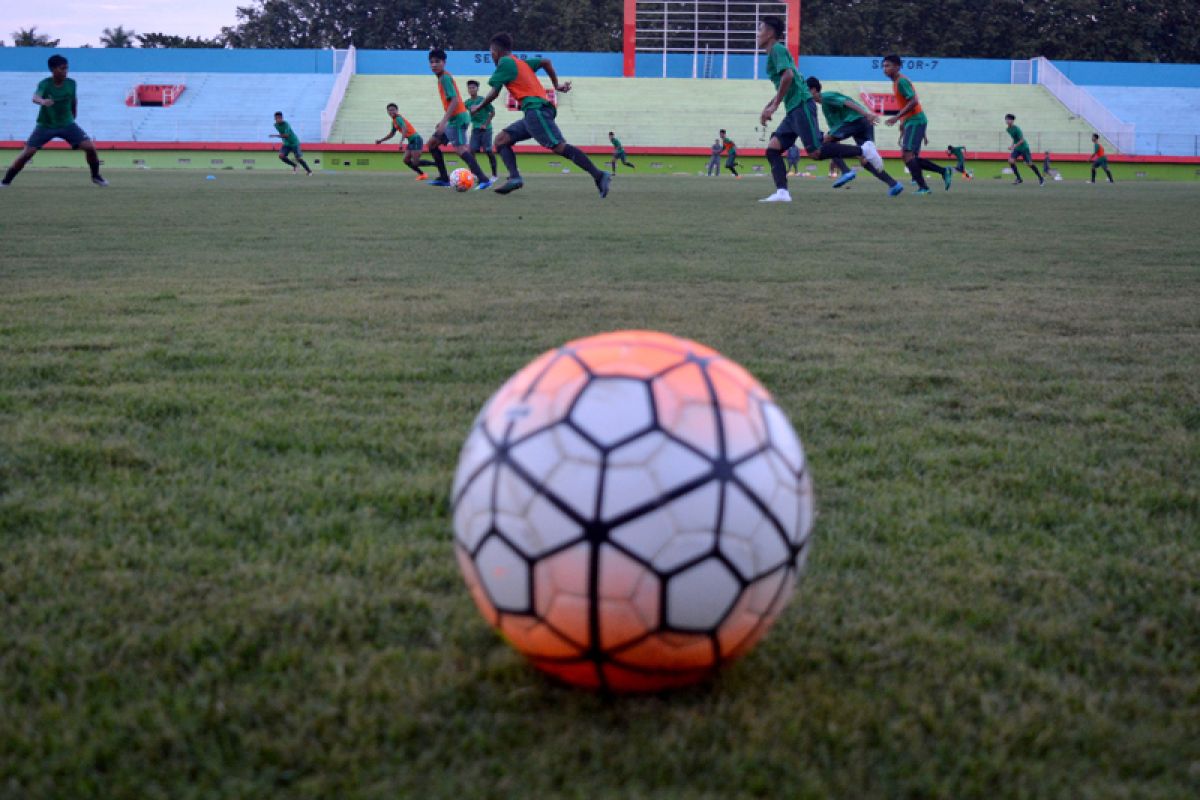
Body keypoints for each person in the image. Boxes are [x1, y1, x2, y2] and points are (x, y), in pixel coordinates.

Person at [469, 33, 611, 197]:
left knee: (558, 146)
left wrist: (478, 106)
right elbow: (546, 62)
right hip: (534, 112)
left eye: (491, 54)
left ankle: (599, 175)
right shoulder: (520, 63)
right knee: (501, 140)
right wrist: (556, 85)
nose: (492, 57)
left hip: (536, 111)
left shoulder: (504, 62)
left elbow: (494, 92)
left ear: (494, 52)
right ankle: (515, 178)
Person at [756, 18, 876, 203]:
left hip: (801, 105)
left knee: (816, 152)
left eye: (760, 29)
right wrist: (769, 105)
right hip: (793, 109)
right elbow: (787, 82)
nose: (757, 33)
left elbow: (787, 76)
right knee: (772, 150)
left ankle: (864, 149)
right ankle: (782, 192)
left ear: (771, 33)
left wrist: (774, 106)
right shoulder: (774, 53)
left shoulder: (777, 50)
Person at [2, 54, 108, 187]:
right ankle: (6, 181)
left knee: (90, 148)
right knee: (27, 153)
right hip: (45, 125)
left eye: (66, 68)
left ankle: (96, 176)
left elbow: (74, 100)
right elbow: (35, 97)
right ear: (53, 69)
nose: (65, 71)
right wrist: (43, 101)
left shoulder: (71, 83)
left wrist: (74, 113)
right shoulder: (45, 84)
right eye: (62, 68)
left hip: (67, 124)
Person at [807, 77, 902, 197]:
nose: (803, 95)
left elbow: (847, 102)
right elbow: (835, 137)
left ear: (814, 90)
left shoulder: (826, 97)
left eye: (805, 91)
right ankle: (893, 184)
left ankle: (846, 171)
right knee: (865, 160)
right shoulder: (826, 108)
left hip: (857, 120)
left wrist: (866, 114)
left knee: (822, 143)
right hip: (861, 123)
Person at [882, 54, 950, 195]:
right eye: (883, 66)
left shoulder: (901, 81)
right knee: (908, 156)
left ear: (897, 66)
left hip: (915, 120)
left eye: (887, 65)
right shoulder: (896, 82)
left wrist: (897, 117)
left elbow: (914, 101)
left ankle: (925, 187)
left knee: (908, 155)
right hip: (911, 121)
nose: (884, 69)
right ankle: (941, 172)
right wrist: (902, 122)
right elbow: (907, 103)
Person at [425, 49, 492, 189]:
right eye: (431, 62)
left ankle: (484, 179)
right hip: (452, 119)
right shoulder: (442, 78)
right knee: (432, 144)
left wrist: (444, 122)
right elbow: (451, 103)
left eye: (437, 62)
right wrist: (443, 120)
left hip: (458, 119)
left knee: (461, 150)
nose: (434, 65)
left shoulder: (445, 78)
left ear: (444, 63)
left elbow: (455, 101)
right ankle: (444, 178)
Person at [375, 103, 435, 181]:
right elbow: (391, 134)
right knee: (406, 160)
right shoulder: (394, 122)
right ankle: (422, 174)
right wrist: (381, 140)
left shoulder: (398, 118)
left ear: (397, 110)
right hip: (411, 141)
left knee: (415, 162)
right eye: (389, 110)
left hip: (416, 139)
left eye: (393, 110)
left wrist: (401, 142)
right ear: (387, 112)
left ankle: (436, 164)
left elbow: (404, 128)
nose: (391, 111)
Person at [465, 80, 498, 180]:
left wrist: (485, 124)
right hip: (475, 130)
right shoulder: (467, 102)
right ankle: (474, 173)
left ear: (477, 89)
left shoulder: (483, 100)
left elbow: (492, 112)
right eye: (469, 88)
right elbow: (461, 112)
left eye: (473, 88)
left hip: (486, 129)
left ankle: (494, 175)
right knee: (471, 150)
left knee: (488, 151)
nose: (471, 89)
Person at [1004, 113, 1044, 186]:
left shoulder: (1017, 129)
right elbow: (1014, 138)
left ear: (1012, 121)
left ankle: (1041, 178)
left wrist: (1014, 146)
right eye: (1006, 119)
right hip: (1017, 148)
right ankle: (1019, 178)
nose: (1007, 120)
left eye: (1008, 119)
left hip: (1024, 148)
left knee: (1029, 164)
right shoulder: (1008, 129)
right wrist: (1012, 146)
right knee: (1011, 161)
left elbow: (1022, 140)